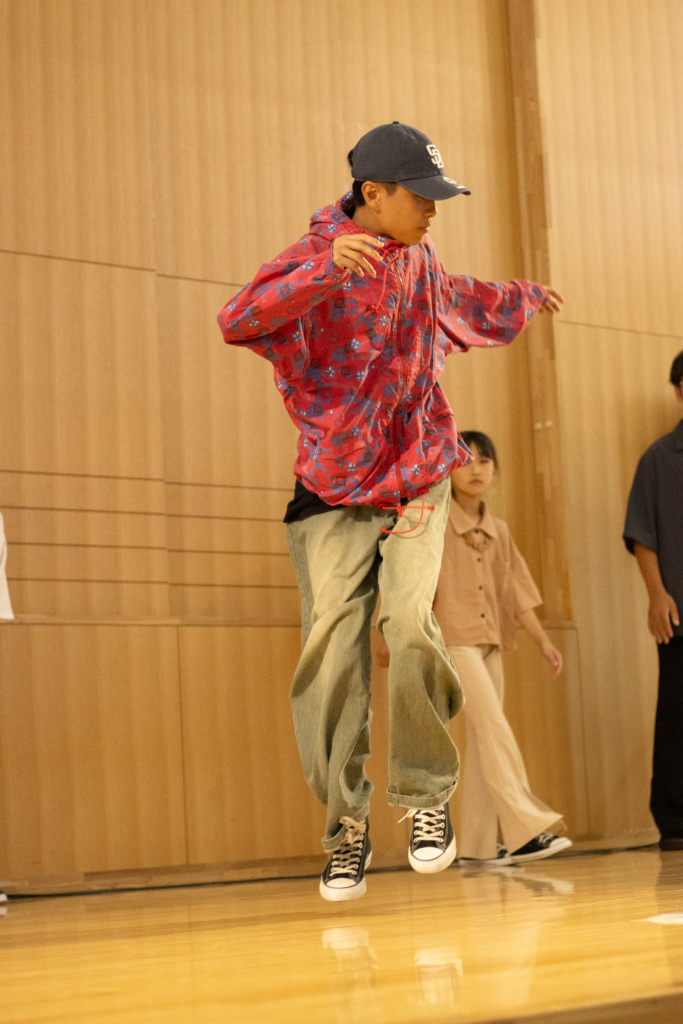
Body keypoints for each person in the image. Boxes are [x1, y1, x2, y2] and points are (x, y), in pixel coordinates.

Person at [218, 121, 563, 901]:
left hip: (415, 470)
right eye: (420, 196)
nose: (433, 211)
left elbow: (458, 298)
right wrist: (320, 275)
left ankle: (424, 794)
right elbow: (238, 318)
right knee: (330, 653)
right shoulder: (314, 255)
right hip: (332, 485)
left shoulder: (420, 258)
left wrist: (521, 297)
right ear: (372, 194)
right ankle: (346, 826)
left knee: (409, 620)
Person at [429, 431, 572, 864]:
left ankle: (477, 847)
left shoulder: (500, 532)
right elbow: (408, 585)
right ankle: (525, 828)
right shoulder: (433, 522)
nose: (475, 469)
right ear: (446, 469)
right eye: (464, 460)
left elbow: (517, 594)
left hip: (491, 644)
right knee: (494, 728)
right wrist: (388, 639)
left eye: (484, 461)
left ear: (495, 471)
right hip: (453, 642)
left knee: (481, 739)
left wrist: (543, 642)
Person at [623, 351, 683, 851]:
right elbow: (642, 533)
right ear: (679, 391)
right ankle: (675, 822)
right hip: (678, 611)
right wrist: (656, 594)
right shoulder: (658, 458)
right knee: (676, 720)